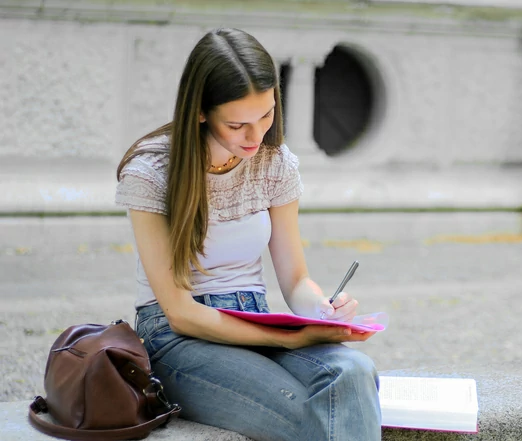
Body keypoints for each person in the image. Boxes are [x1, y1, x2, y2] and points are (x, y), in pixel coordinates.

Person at [114, 28, 381, 441]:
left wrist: (322, 309)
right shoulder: (151, 174)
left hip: (254, 317)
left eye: (267, 115)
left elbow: (294, 280)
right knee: (305, 412)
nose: (256, 137)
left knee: (356, 371)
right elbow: (180, 313)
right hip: (177, 338)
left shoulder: (276, 163)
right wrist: (290, 339)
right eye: (238, 124)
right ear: (200, 111)